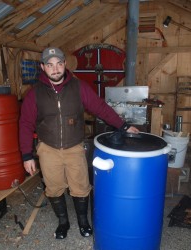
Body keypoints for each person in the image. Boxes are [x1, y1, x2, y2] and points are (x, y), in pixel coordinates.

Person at [19, 47, 139, 240]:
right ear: (43, 67)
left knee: (81, 187)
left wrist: (123, 126)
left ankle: (83, 222)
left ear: (65, 64)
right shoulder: (34, 94)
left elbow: (100, 107)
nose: (55, 69)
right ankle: (63, 222)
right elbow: (25, 124)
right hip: (48, 148)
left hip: (74, 147)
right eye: (50, 65)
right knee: (54, 187)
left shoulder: (79, 87)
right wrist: (26, 155)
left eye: (59, 63)